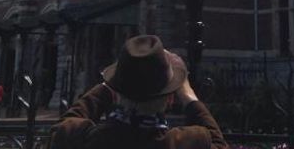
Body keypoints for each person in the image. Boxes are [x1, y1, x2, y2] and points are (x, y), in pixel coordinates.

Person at [49, 34, 226, 149]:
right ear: (170, 99)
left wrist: (110, 84)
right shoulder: (187, 142)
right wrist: (188, 96)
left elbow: (62, 128)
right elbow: (218, 143)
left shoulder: (86, 139)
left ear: (117, 93)